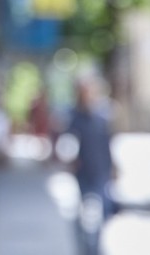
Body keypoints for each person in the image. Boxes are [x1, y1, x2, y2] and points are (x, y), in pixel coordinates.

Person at [64, 77, 114, 255]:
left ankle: (96, 249)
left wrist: (113, 166)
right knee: (84, 216)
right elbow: (67, 144)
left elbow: (106, 142)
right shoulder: (74, 118)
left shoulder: (100, 116)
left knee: (101, 214)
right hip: (83, 173)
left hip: (100, 170)